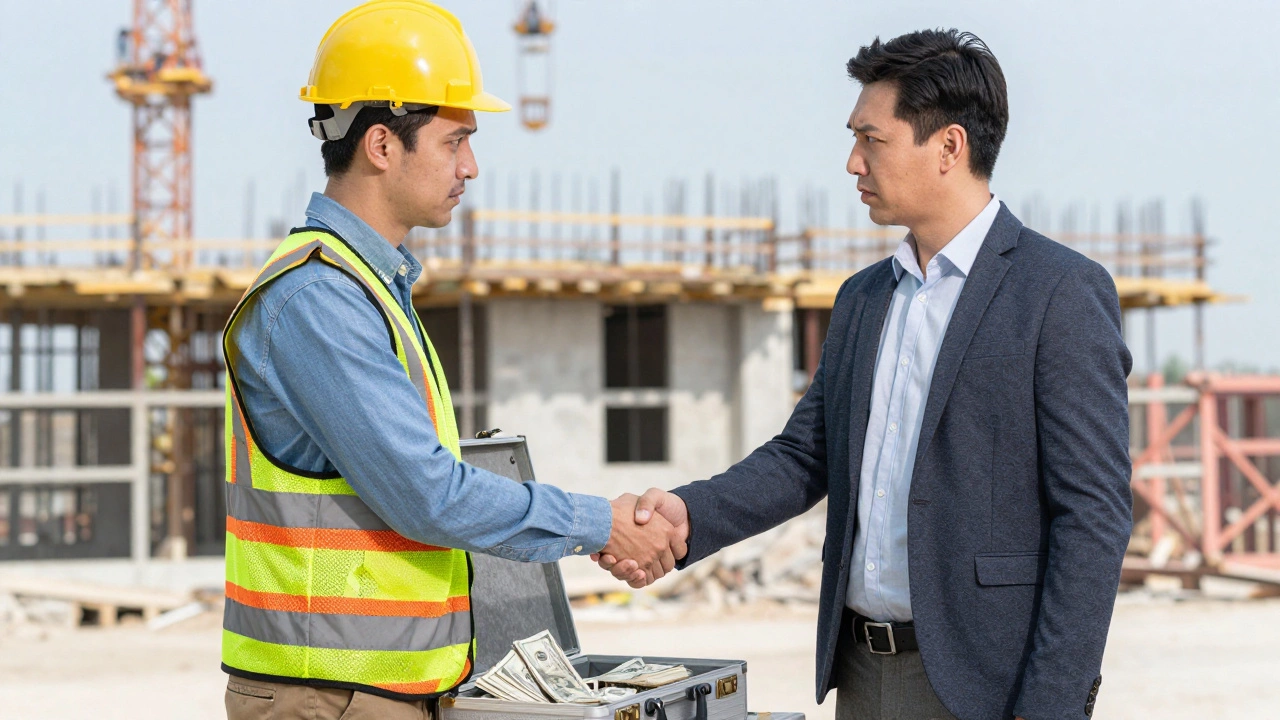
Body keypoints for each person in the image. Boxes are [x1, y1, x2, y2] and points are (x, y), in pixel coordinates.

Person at [598, 29, 1132, 720]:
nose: (852, 162)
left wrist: (1051, 707)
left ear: (948, 147)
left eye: (871, 140)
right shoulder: (863, 298)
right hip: (859, 672)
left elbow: (1093, 516)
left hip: (985, 687)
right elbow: (805, 456)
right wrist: (688, 515)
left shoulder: (1058, 293)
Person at [220, 3, 681, 718]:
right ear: (381, 144)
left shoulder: (371, 286)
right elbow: (428, 495)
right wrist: (601, 522)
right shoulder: (318, 299)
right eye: (454, 141)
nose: (470, 166)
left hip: (379, 688)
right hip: (327, 694)